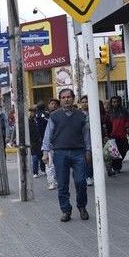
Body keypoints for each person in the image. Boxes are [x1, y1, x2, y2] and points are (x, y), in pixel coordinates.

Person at [42, 88, 91, 222]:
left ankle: (82, 206)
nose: (66, 99)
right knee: (62, 184)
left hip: (78, 152)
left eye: (68, 97)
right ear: (60, 100)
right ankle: (66, 210)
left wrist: (88, 151)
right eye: (63, 98)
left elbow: (86, 135)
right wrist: (45, 152)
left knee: (81, 182)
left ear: (73, 98)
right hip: (60, 153)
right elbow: (48, 135)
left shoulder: (82, 116)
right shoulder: (54, 116)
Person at [107, 95, 129, 174]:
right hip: (113, 135)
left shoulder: (124, 111)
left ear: (119, 102)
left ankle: (117, 166)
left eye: (117, 102)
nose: (115, 103)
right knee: (115, 153)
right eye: (113, 102)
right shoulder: (109, 112)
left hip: (122, 134)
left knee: (125, 149)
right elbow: (108, 124)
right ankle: (116, 167)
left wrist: (127, 127)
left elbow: (127, 120)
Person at [29, 103, 49, 178]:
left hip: (41, 140)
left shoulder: (41, 118)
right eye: (32, 112)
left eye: (34, 111)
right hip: (33, 142)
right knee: (34, 157)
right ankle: (35, 172)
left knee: (41, 156)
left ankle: (43, 169)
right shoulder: (29, 120)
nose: (33, 113)